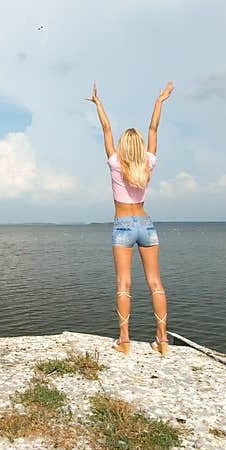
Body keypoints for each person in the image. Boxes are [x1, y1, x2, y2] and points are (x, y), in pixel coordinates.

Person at [85, 80, 174, 356]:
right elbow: (154, 129)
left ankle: (124, 339)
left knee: (124, 283)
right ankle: (162, 339)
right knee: (155, 283)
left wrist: (98, 104)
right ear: (141, 148)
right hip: (146, 224)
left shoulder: (115, 163)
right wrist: (159, 101)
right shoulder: (147, 164)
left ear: (124, 147)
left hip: (123, 226)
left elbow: (106, 128)